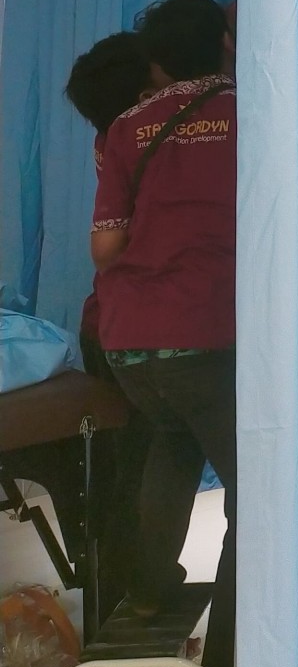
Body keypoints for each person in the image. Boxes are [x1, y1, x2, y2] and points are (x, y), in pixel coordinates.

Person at [91, 0, 237, 667]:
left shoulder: (127, 127)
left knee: (172, 443)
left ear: (155, 63)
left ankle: (148, 590)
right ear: (224, 44)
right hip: (206, 333)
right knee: (258, 504)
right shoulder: (251, 113)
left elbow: (105, 248)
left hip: (128, 342)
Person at [62, 32, 155, 620]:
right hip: (133, 333)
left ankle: (125, 588)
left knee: (131, 468)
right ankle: (131, 588)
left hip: (107, 325)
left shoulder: (113, 138)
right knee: (140, 468)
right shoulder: (145, 143)